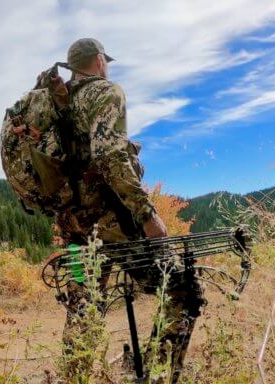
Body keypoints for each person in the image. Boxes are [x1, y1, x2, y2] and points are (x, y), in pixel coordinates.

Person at [56, 38, 204, 383]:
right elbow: (109, 156)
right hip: (113, 222)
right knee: (181, 287)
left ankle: (72, 377)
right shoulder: (105, 92)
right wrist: (145, 213)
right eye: (105, 60)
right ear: (98, 61)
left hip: (73, 224)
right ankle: (155, 373)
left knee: (83, 305)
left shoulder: (58, 102)